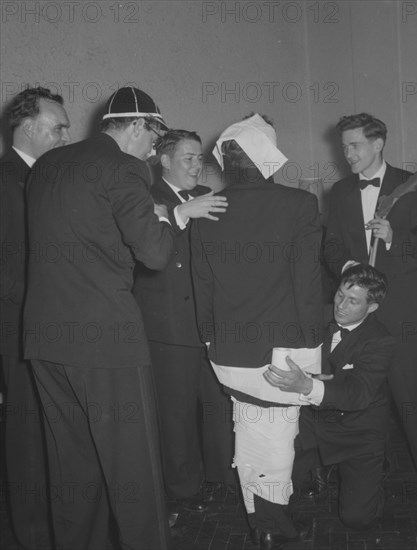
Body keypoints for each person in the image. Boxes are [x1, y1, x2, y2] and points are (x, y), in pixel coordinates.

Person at [23, 86, 174, 550]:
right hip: (105, 340)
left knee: (73, 468)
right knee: (134, 471)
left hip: (47, 339)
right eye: (153, 136)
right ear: (134, 126)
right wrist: (165, 217)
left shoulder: (48, 164)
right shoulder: (125, 168)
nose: (154, 149)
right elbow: (154, 253)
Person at [190, 113, 324, 550]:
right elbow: (307, 283)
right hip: (285, 347)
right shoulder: (299, 205)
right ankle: (271, 527)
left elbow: (202, 285)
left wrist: (210, 339)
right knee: (277, 436)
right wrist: (312, 343)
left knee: (250, 433)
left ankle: (262, 521)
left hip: (227, 349)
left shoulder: (208, 209)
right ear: (269, 159)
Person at [323, 113, 417, 500]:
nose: (348, 154)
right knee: (355, 394)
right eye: (343, 146)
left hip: (401, 313)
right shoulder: (339, 192)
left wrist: (394, 239)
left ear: (378, 144)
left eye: (355, 145)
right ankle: (361, 468)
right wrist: (351, 272)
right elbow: (330, 247)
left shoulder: (413, 187)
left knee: (411, 396)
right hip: (355, 315)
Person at [133, 129, 232, 524]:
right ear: (165, 160)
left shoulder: (206, 194)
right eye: (188, 158)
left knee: (217, 404)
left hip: (208, 321)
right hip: (168, 324)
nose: (197, 166)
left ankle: (221, 476)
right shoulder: (144, 197)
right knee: (175, 414)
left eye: (199, 158)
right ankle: (182, 489)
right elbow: (148, 257)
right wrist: (178, 216)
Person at [265, 263, 395, 530]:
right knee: (274, 478)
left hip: (358, 430)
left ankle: (374, 471)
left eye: (353, 301)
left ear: (371, 307)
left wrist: (307, 385)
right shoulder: (315, 316)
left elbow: (358, 393)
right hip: (312, 422)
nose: (341, 306)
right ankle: (314, 470)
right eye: (339, 294)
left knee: (357, 519)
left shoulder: (381, 340)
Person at [0, 86, 70, 550]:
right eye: (58, 126)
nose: (65, 135)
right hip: (19, 326)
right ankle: (31, 535)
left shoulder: (43, 177)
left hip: (46, 323)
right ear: (28, 126)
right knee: (26, 433)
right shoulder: (7, 178)